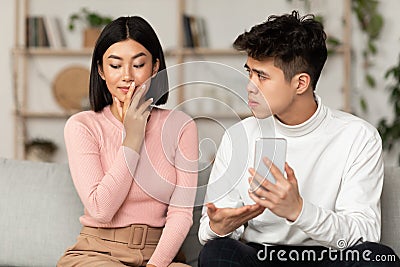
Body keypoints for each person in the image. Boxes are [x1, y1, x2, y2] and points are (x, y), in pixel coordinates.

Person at [198, 10, 400, 267]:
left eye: (261, 76)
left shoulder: (358, 137)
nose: (249, 85)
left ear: (301, 83)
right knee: (217, 252)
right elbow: (207, 231)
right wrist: (219, 227)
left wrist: (299, 211)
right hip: (260, 256)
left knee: (377, 258)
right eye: (249, 72)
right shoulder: (239, 136)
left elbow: (365, 233)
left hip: (328, 257)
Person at [57, 16, 198, 267]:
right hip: (98, 254)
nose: (127, 76)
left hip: (160, 256)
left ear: (155, 67)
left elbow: (181, 214)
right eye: (115, 65)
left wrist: (155, 265)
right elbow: (101, 210)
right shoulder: (83, 126)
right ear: (101, 70)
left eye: (138, 64)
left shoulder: (181, 126)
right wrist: (133, 137)